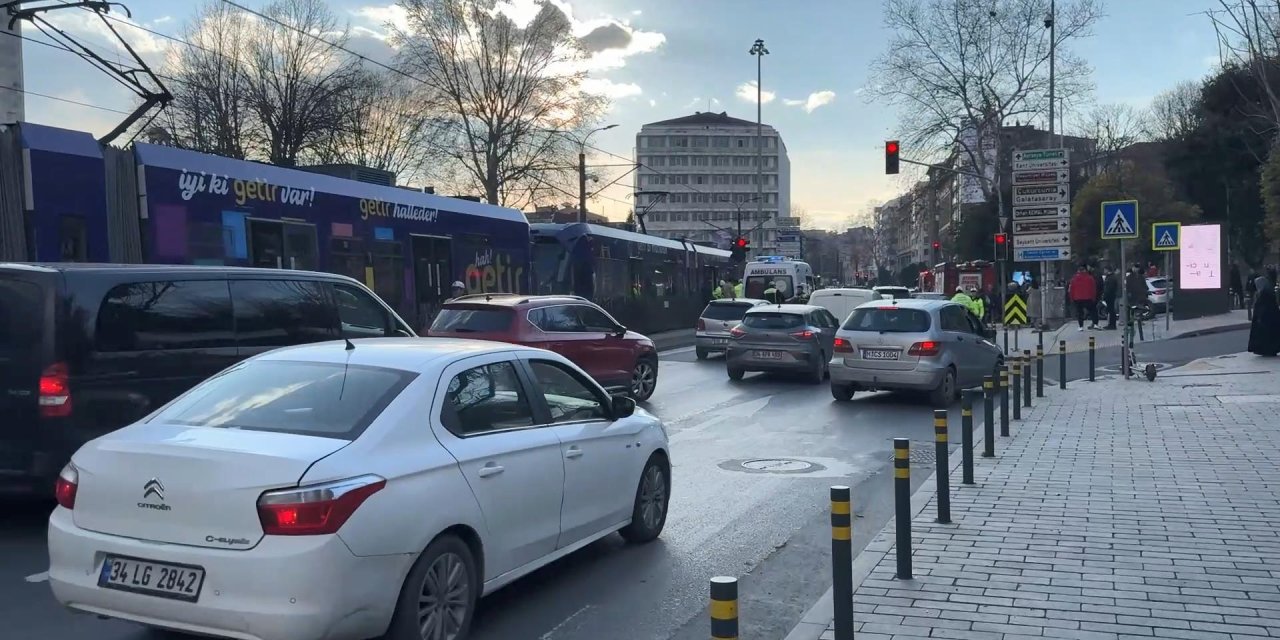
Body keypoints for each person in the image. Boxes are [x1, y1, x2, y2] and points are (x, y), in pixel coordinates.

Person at [1248, 267, 1280, 357]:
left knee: (1266, 334)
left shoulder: (1264, 292)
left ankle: (1266, 349)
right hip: (1270, 317)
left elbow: (1262, 307)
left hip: (1266, 317)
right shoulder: (1268, 289)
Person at [1068, 264, 1098, 331]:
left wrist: (1071, 298)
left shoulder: (1074, 279)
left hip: (1077, 298)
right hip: (1088, 298)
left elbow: (1071, 289)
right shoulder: (1090, 278)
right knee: (1093, 311)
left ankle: (1081, 326)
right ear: (1085, 270)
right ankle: (1095, 324)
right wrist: (1093, 297)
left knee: (1080, 313)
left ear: (1078, 271)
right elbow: (1093, 288)